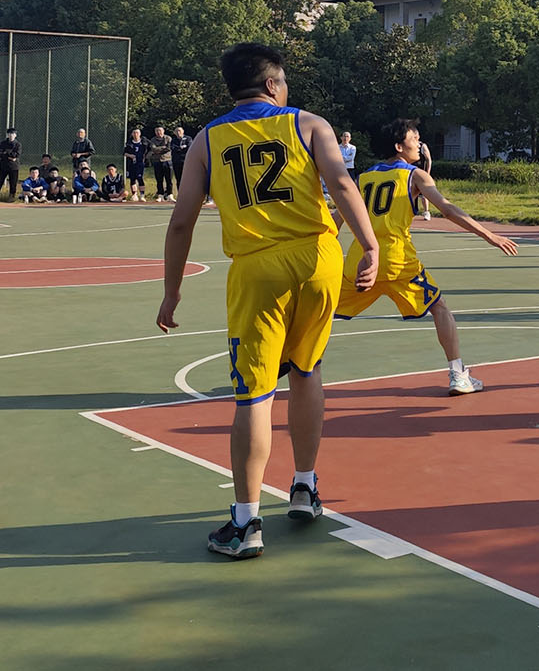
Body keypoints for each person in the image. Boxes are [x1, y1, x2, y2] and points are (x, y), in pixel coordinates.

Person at [156, 42, 378, 560]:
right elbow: (342, 184)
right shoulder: (309, 124)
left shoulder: (208, 139)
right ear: (273, 84)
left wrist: (172, 289)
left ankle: (246, 522)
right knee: (307, 369)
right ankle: (304, 485)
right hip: (319, 258)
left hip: (258, 268)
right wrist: (369, 245)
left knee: (255, 394)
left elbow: (182, 220)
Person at [339, 118, 518, 396]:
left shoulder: (363, 178)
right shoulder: (415, 176)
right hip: (398, 261)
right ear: (399, 147)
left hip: (360, 262)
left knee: (322, 311)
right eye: (414, 139)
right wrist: (489, 235)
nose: (420, 144)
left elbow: (337, 217)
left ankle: (286, 357)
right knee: (439, 307)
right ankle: (458, 374)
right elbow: (448, 209)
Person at [0, 126, 21, 202]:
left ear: (15, 135)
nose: (11, 135)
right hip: (3, 166)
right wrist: (9, 156)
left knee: (13, 183)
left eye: (12, 134)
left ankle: (11, 197)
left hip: (14, 167)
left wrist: (6, 153)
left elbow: (16, 155)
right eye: (9, 134)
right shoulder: (3, 143)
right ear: (7, 135)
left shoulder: (18, 144)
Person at [148, 125, 175, 201]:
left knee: (169, 179)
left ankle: (170, 195)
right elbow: (153, 149)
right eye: (157, 131)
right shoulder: (153, 139)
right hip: (157, 161)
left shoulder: (168, 138)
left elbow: (168, 148)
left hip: (167, 160)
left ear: (163, 131)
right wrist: (163, 147)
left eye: (160, 130)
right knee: (159, 179)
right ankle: (160, 195)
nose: (158, 132)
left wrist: (159, 149)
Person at [124, 127, 147, 201]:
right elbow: (124, 153)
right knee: (132, 179)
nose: (135, 134)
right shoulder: (129, 143)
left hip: (140, 163)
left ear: (140, 134)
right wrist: (130, 155)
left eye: (137, 133)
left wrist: (146, 157)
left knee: (140, 178)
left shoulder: (144, 142)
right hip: (132, 163)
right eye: (134, 133)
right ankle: (134, 194)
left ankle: (142, 195)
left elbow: (150, 149)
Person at [170, 125, 193, 197]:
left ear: (183, 131)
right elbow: (173, 148)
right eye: (176, 131)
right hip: (176, 162)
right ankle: (180, 195)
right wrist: (181, 148)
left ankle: (189, 195)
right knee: (178, 178)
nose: (178, 132)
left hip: (186, 161)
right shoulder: (173, 140)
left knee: (188, 178)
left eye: (179, 131)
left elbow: (189, 147)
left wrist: (180, 149)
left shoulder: (188, 138)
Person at [414, 138, 433, 220]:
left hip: (422, 173)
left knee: (423, 194)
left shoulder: (422, 146)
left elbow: (429, 160)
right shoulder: (409, 146)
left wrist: (427, 173)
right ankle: (412, 211)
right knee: (411, 193)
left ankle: (426, 212)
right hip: (412, 173)